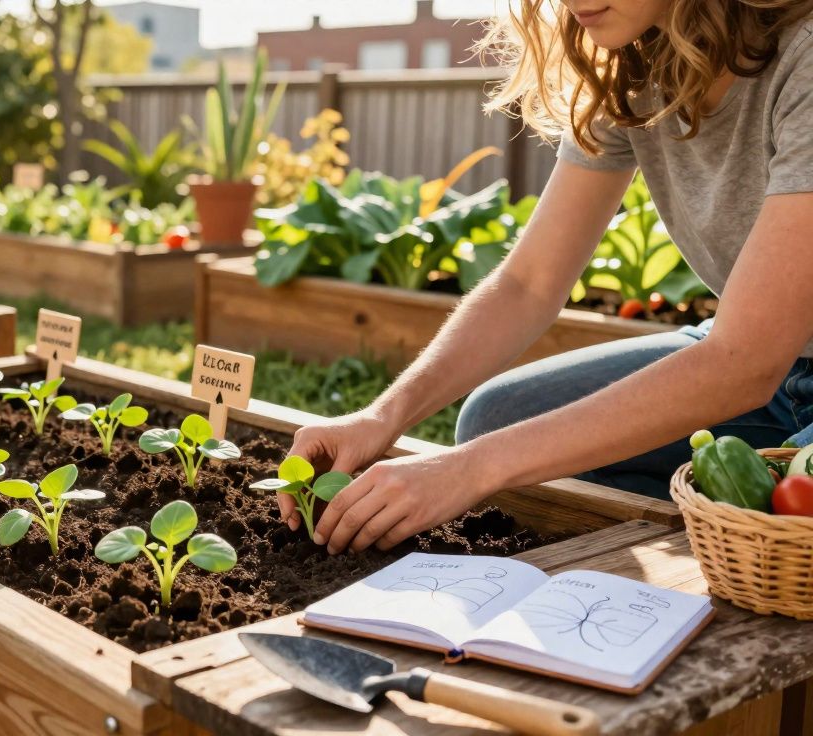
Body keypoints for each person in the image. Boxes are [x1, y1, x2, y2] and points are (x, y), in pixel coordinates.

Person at [283, 0, 813, 555]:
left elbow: (745, 361)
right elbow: (528, 285)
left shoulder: (802, 60)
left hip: (750, 360)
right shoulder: (631, 71)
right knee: (496, 419)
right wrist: (381, 416)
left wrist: (470, 471)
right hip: (765, 370)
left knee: (787, 532)